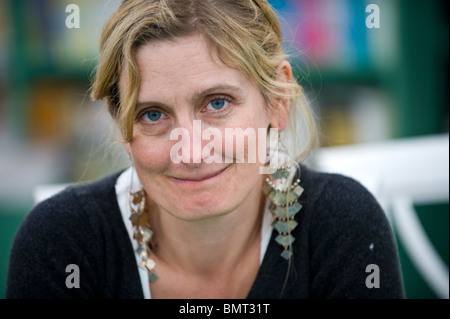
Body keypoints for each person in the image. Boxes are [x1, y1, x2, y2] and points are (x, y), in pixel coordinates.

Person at [6, 0, 405, 299]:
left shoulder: (340, 227)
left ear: (277, 102)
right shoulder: (63, 244)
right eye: (152, 115)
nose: (191, 151)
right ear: (121, 125)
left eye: (217, 103)